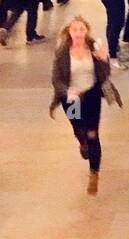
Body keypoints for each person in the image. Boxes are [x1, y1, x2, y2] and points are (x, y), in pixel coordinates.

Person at [49, 16, 120, 194]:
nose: (79, 33)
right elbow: (56, 79)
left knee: (93, 134)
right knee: (78, 127)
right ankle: (82, 142)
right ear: (69, 32)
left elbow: (104, 75)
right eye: (75, 30)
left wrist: (104, 59)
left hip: (91, 96)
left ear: (86, 31)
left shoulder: (94, 48)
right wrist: (68, 91)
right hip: (72, 99)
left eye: (81, 29)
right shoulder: (62, 53)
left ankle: (94, 173)